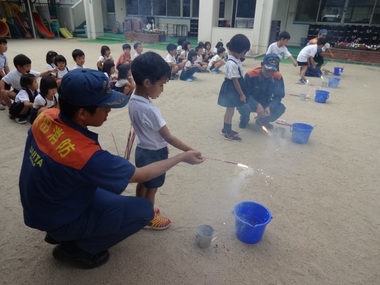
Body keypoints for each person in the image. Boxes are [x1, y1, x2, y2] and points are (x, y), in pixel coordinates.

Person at [19, 68, 204, 269]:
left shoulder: (46, 116)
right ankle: (77, 249)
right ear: (82, 113)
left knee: (109, 186)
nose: (109, 110)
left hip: (42, 205)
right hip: (58, 214)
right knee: (143, 211)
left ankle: (59, 231)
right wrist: (181, 157)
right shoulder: (87, 156)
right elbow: (140, 174)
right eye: (104, 106)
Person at [129, 51, 200, 230]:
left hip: (141, 150)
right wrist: (189, 150)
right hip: (155, 154)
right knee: (152, 187)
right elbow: (168, 136)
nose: (162, 89)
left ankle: (139, 209)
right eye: (161, 85)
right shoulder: (150, 110)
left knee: (143, 182)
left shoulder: (133, 99)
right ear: (147, 83)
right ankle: (148, 217)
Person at [237, 54, 286, 130]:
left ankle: (262, 121)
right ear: (262, 64)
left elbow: (279, 96)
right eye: (267, 69)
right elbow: (245, 94)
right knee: (243, 106)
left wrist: (270, 107)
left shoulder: (278, 77)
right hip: (250, 101)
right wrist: (257, 105)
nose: (269, 73)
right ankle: (244, 117)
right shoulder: (251, 75)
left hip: (266, 102)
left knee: (280, 108)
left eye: (272, 71)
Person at [217, 34, 251, 141]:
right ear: (237, 50)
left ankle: (226, 128)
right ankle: (227, 131)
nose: (244, 55)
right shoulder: (231, 63)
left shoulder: (236, 59)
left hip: (235, 86)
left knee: (231, 110)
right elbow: (235, 81)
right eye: (243, 52)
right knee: (230, 110)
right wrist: (241, 94)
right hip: (231, 88)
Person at [0, 37, 9, 110]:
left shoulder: (4, 57)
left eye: (6, 44)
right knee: (4, 83)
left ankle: (2, 98)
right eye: (3, 44)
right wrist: (6, 79)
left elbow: (6, 68)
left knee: (7, 82)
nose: (6, 46)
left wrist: (9, 77)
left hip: (1, 74)